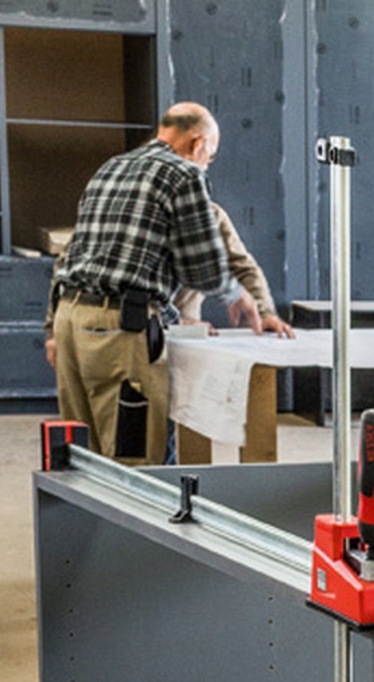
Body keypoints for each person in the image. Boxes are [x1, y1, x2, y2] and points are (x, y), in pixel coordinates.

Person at [41, 103, 235, 463]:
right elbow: (204, 268)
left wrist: (53, 328)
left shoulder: (110, 168)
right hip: (121, 331)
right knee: (137, 460)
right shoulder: (185, 175)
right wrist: (221, 305)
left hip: (70, 323)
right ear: (198, 144)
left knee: (81, 458)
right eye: (210, 155)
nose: (208, 164)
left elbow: (70, 254)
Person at [176, 204, 294, 338]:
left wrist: (263, 314)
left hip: (186, 338)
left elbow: (244, 269)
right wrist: (176, 323)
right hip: (163, 332)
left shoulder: (210, 213)